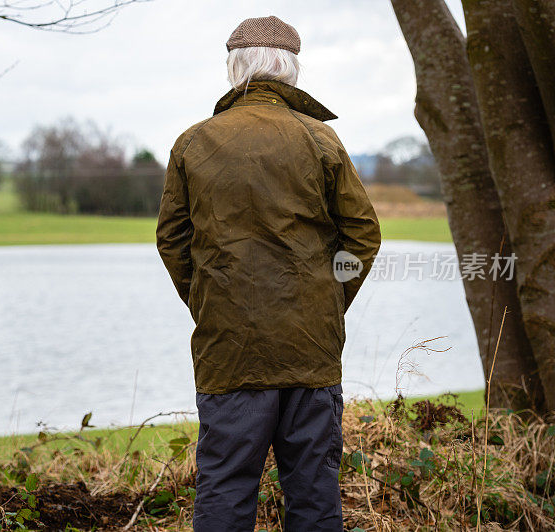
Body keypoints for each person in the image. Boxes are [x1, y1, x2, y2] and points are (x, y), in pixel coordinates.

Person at [156, 15, 381, 532]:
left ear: (235, 70)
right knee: (313, 490)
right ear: (291, 72)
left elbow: (172, 242)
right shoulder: (320, 140)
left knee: (225, 488)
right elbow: (362, 237)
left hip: (229, 350)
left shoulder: (193, 143)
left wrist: (208, 301)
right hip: (311, 350)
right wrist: (332, 292)